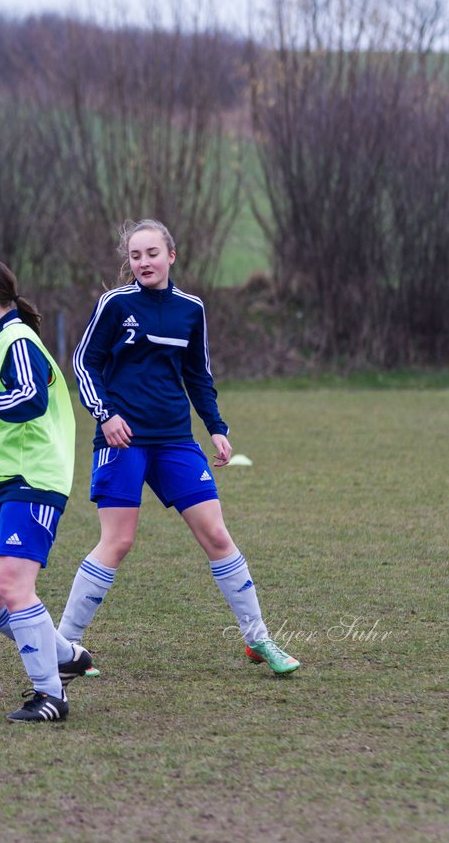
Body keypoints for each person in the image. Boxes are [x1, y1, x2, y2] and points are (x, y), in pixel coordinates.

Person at [57, 219, 301, 675]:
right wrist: (105, 415)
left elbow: (198, 374)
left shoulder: (192, 308)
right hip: (123, 438)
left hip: (174, 439)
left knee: (216, 534)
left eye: (152, 253)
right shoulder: (115, 303)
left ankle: (258, 639)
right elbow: (83, 362)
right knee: (118, 540)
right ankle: (64, 648)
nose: (143, 262)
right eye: (135, 256)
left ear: (171, 255)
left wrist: (216, 426)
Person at [0, 256, 96, 724]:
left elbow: (29, 400)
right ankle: (64, 654)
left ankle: (51, 695)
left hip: (32, 480)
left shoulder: (18, 341)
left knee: (13, 584)